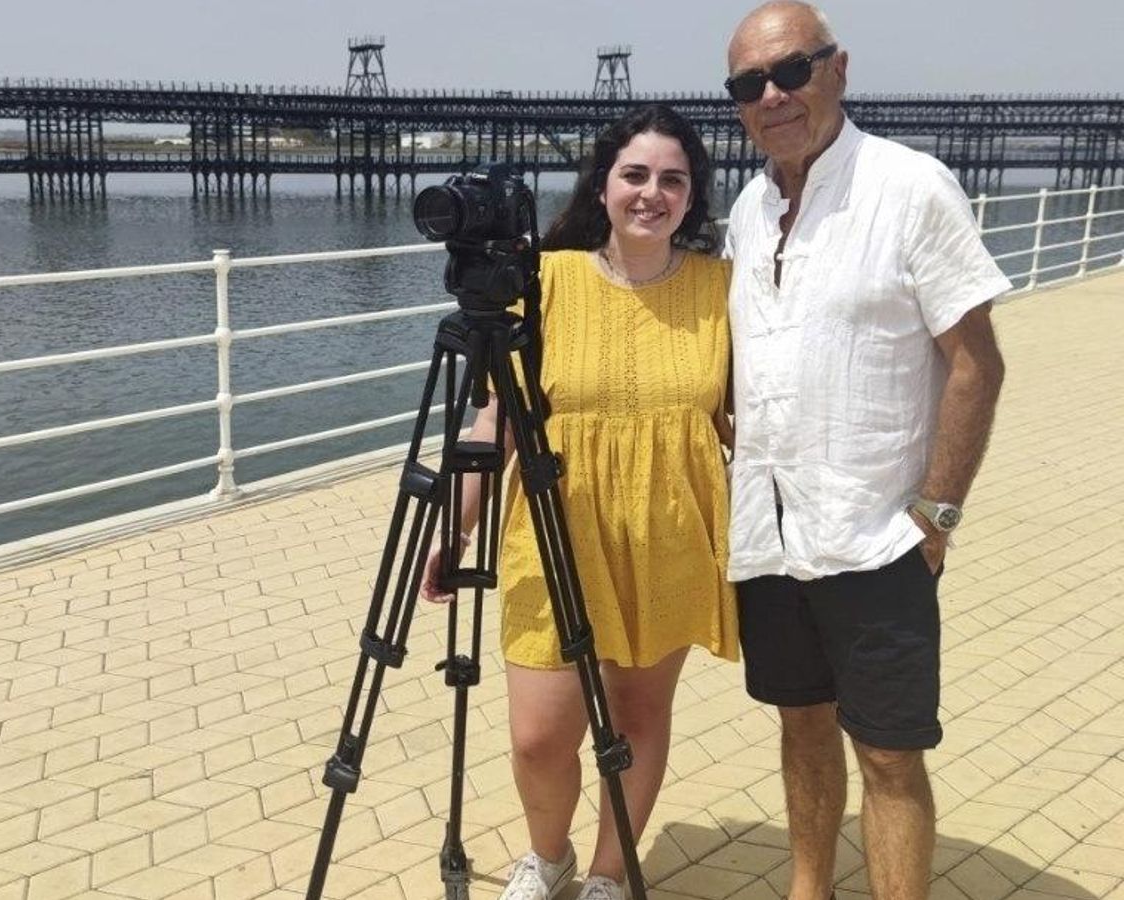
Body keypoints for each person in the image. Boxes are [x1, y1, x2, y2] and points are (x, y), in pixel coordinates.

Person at [721, 4, 1010, 900]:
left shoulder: (911, 185)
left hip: (876, 531)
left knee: (889, 753)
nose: (771, 96)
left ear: (837, 69)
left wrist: (939, 509)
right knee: (800, 726)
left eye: (790, 71)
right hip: (770, 532)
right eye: (747, 85)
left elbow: (976, 364)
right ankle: (811, 889)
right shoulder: (748, 204)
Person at [420, 104, 738, 900]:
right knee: (538, 735)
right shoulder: (545, 281)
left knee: (637, 718)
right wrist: (451, 528)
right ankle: (549, 855)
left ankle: (608, 873)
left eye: (673, 180)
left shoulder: (721, 289)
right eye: (635, 174)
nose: (651, 194)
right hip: (555, 529)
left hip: (667, 532)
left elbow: (747, 416)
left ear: (693, 196)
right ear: (604, 185)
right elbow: (496, 419)